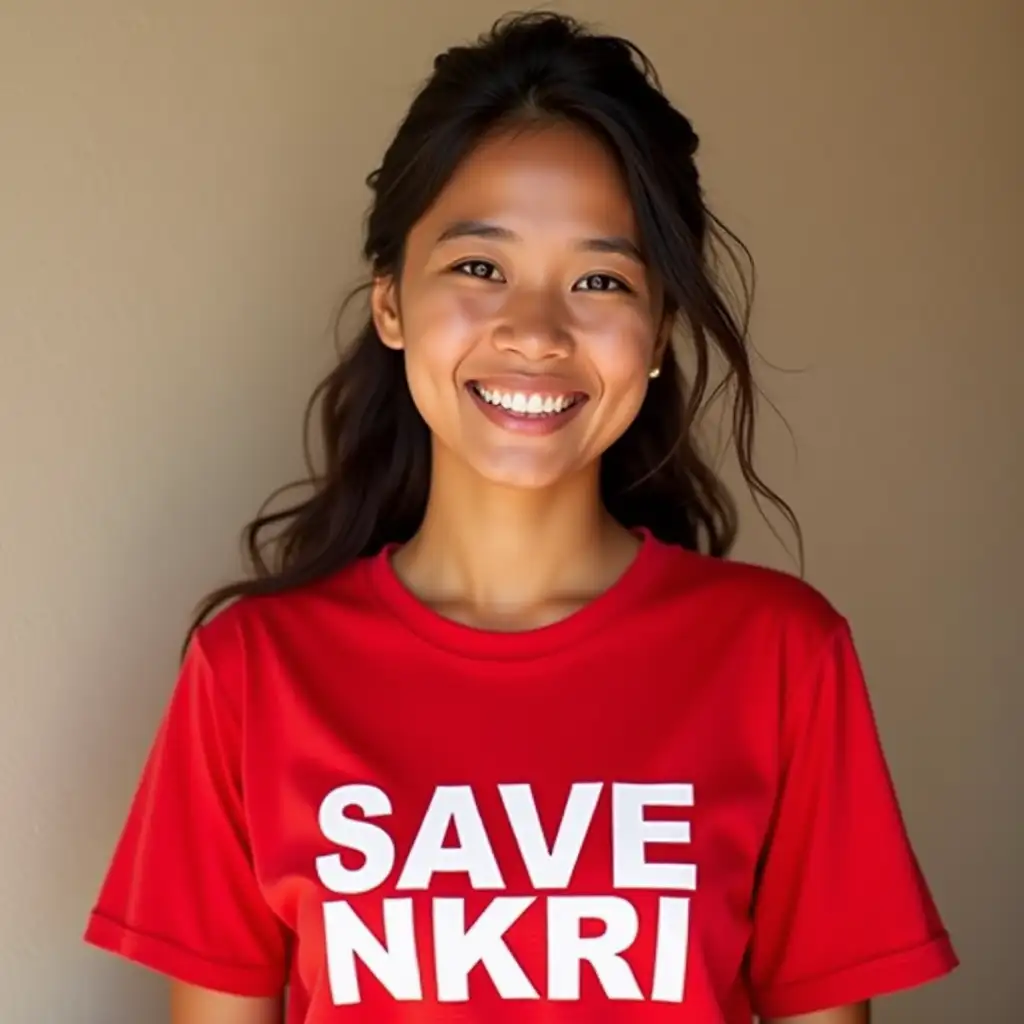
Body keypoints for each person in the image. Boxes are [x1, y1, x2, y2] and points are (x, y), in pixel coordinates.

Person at [83, 12, 958, 1024]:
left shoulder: (780, 659)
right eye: (479, 267)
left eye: (599, 280)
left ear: (659, 331)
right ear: (391, 304)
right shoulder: (249, 675)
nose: (535, 331)